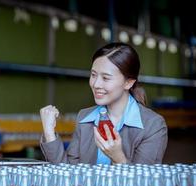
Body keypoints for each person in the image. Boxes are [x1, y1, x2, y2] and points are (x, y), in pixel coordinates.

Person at [39, 42, 168, 165]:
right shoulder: (84, 117)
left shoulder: (153, 126)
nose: (96, 84)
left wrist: (118, 158)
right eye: (93, 75)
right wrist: (49, 133)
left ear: (128, 83)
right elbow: (68, 175)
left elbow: (144, 184)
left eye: (105, 78)